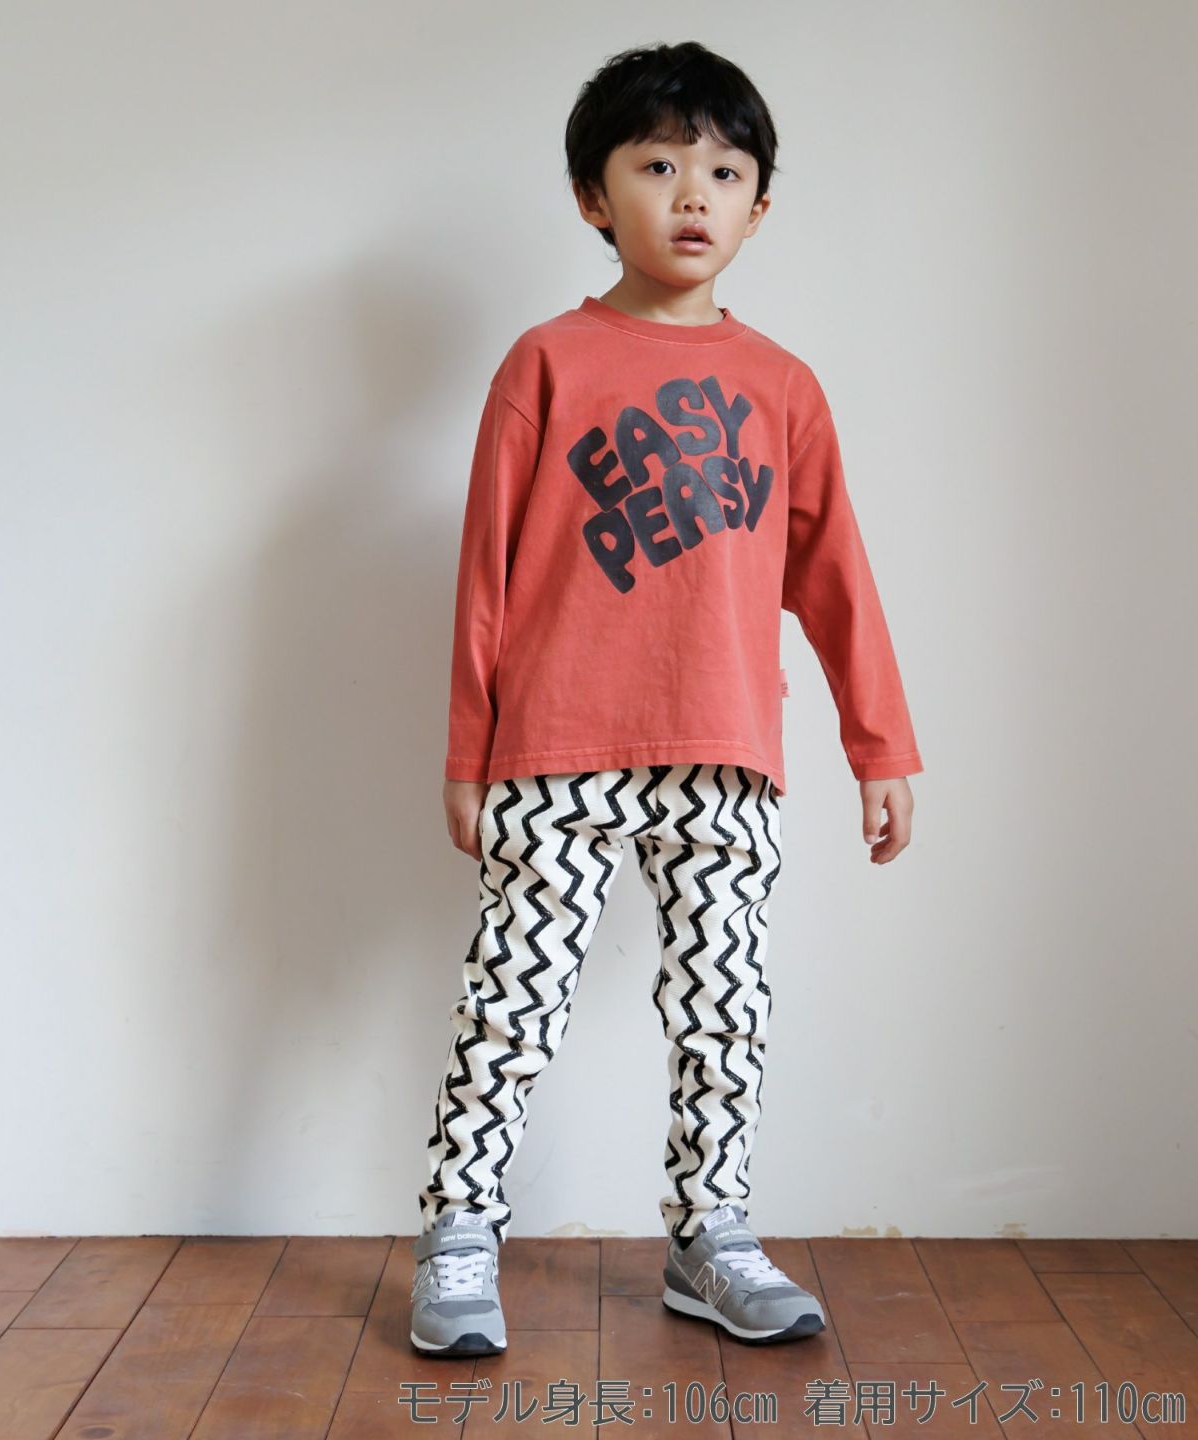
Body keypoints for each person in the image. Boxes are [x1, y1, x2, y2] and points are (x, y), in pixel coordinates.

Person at [410, 40, 924, 1359]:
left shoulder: (784, 387)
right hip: (554, 751)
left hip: (726, 755)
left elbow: (836, 575)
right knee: (510, 1007)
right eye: (656, 165)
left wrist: (881, 745)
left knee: (724, 1009)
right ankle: (460, 1236)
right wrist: (469, 752)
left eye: (725, 171)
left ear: (760, 207)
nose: (693, 193)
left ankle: (712, 1238)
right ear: (593, 196)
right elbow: (485, 572)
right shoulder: (545, 363)